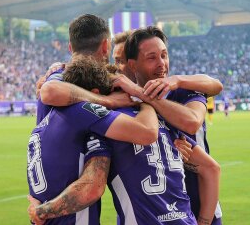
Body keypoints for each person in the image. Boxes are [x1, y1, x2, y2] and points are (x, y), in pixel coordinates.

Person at [28, 56, 220, 225]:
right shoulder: (159, 120)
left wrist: (40, 211)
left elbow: (92, 186)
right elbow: (211, 169)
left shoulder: (98, 128)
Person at [27, 57, 159, 225]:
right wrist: (144, 102)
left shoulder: (48, 119)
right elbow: (147, 132)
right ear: (96, 93)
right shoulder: (84, 112)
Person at [120, 26, 223, 225]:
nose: (162, 64)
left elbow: (192, 120)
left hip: (201, 207)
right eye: (152, 58)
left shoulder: (183, 91)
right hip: (151, 214)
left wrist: (176, 80)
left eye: (164, 55)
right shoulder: (126, 107)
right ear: (133, 65)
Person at [36, 14, 134, 125]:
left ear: (70, 47)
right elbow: (50, 91)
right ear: (105, 45)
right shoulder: (58, 77)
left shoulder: (58, 75)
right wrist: (109, 101)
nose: (117, 66)